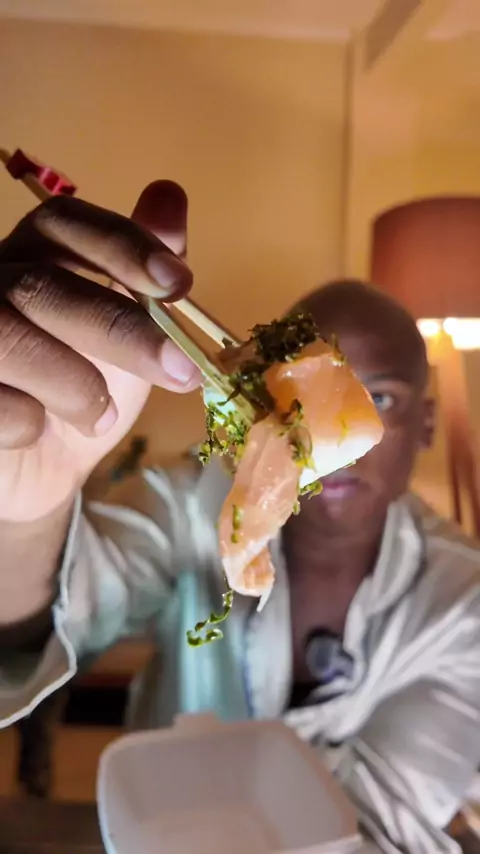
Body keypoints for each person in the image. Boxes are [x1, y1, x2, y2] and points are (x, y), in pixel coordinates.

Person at [1, 182, 480, 853]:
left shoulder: (463, 603)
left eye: (381, 399)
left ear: (427, 423)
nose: (329, 438)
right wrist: (26, 516)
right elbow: (50, 622)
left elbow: (382, 823)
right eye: (295, 395)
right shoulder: (189, 508)